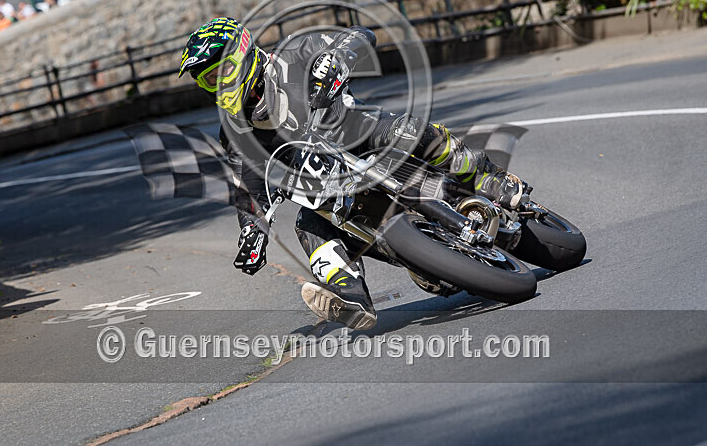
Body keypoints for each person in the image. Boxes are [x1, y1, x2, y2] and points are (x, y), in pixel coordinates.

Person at [178, 18, 527, 329]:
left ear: (241, 55)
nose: (217, 84)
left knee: (412, 131)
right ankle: (350, 297)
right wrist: (253, 231)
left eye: (218, 72)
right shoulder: (235, 130)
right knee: (307, 225)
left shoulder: (296, 54)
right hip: (329, 183)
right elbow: (248, 183)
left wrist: (339, 58)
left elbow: (360, 36)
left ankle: (490, 179)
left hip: (363, 134)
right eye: (207, 80)